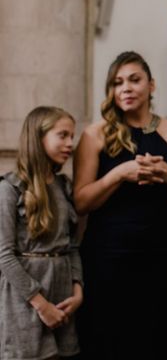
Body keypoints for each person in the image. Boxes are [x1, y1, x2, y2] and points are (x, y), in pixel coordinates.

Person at [73, 51, 167, 359]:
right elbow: (80, 202)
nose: (126, 88)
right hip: (106, 257)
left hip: (158, 256)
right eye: (118, 82)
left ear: (152, 85)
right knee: (105, 341)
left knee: (153, 341)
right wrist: (119, 174)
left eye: (135, 80)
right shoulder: (95, 135)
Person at [0, 106, 82, 359]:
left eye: (72, 136)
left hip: (63, 296)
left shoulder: (63, 186)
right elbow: (4, 256)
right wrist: (41, 305)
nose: (70, 143)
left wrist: (78, 291)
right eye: (63, 135)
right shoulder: (9, 188)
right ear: (38, 137)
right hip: (26, 301)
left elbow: (72, 246)